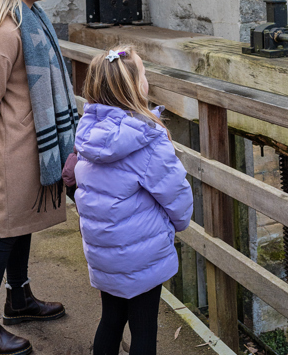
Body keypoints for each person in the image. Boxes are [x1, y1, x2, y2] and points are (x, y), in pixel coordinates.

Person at [0, 0, 79, 355]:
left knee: (21, 224)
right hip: (13, 147)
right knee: (2, 231)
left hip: (32, 145)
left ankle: (19, 298)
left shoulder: (34, 21)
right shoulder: (7, 33)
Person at [74, 46, 193, 355]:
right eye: (143, 74)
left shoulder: (89, 134)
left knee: (111, 320)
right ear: (134, 87)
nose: (147, 80)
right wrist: (178, 224)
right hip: (141, 255)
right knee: (144, 330)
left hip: (104, 253)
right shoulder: (147, 137)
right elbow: (176, 193)